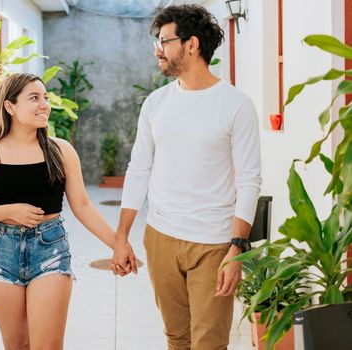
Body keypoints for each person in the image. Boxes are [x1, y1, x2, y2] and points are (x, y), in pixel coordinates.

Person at [112, 4, 262, 350]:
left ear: (191, 45)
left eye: (164, 41)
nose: (157, 50)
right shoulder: (156, 103)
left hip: (214, 243)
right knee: (177, 339)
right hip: (161, 238)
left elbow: (249, 180)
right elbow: (139, 169)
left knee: (209, 343)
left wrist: (236, 249)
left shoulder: (236, 105)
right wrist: (122, 237)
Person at [0, 72, 117, 350]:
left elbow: (83, 205)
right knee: (17, 344)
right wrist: (8, 211)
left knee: (48, 346)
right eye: (34, 98)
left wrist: (119, 245)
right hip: (0, 253)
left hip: (49, 250)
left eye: (45, 97)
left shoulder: (61, 150)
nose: (45, 104)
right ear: (10, 107)